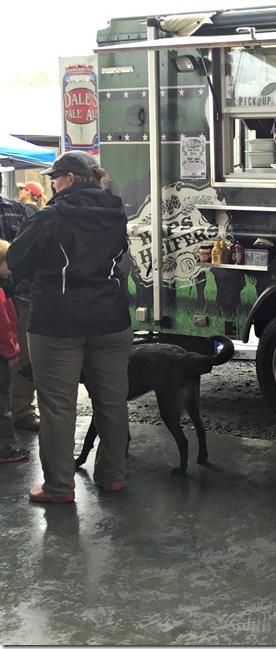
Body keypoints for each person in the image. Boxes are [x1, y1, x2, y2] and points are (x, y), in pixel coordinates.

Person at [8, 151, 132, 504]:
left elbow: (17, 260)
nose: (52, 183)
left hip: (58, 323)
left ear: (71, 178)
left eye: (55, 177)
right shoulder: (116, 211)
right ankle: (112, 477)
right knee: (112, 401)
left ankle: (59, 487)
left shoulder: (51, 216)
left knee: (58, 407)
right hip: (111, 319)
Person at [0, 240, 28, 464]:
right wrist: (12, 353)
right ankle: (6, 449)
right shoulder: (1, 294)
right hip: (2, 356)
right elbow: (5, 328)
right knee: (2, 403)